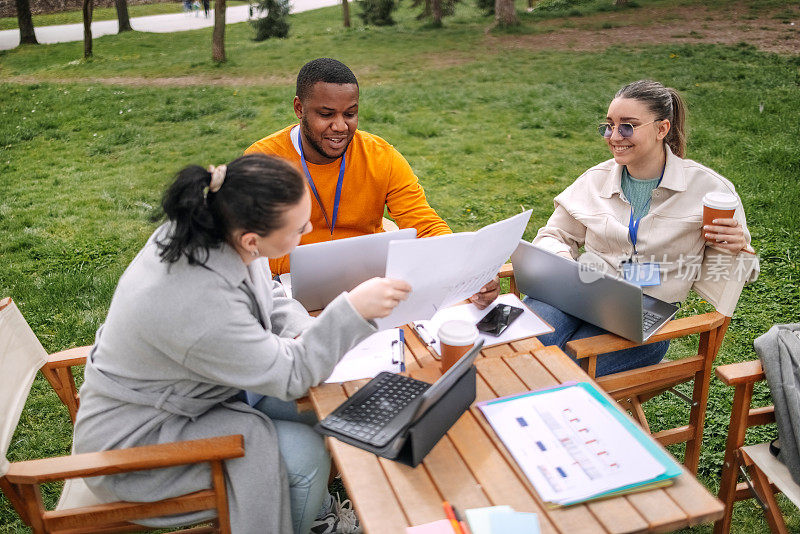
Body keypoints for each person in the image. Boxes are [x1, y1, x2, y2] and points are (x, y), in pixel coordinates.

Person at [73, 154, 411, 534]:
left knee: (338, 404)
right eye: (301, 227)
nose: (310, 227)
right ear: (252, 239)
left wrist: (303, 330)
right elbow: (292, 376)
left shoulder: (217, 226)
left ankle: (314, 509)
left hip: (199, 397)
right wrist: (352, 310)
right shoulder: (198, 302)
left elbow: (267, 294)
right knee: (306, 454)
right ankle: (310, 522)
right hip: (139, 448)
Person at [527, 79, 757, 376]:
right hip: (581, 293)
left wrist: (740, 248)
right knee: (517, 349)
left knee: (560, 373)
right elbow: (553, 235)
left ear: (662, 129)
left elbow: (743, 273)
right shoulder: (595, 180)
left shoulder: (710, 190)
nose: (614, 136)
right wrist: (567, 269)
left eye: (628, 126)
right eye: (609, 125)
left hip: (644, 314)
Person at [245, 57, 499, 308]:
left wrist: (469, 268)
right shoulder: (263, 161)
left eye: (350, 114)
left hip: (369, 286)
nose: (340, 126)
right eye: (326, 114)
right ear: (299, 108)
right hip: (287, 291)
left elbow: (424, 225)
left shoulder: (381, 156)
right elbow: (244, 241)